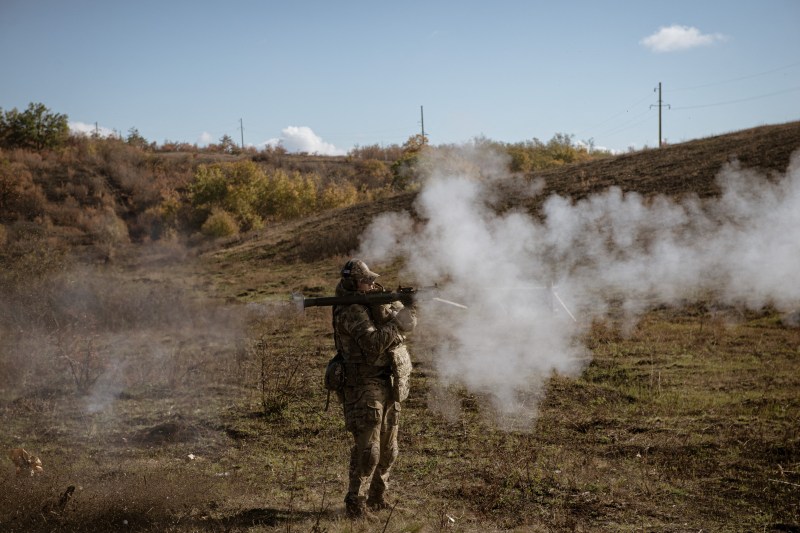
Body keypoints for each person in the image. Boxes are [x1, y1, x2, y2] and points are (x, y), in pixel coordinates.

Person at [332, 259, 416, 519]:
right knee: (369, 450)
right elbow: (372, 344)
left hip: (388, 381)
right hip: (362, 384)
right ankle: (355, 506)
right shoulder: (351, 310)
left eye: (370, 279)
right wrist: (396, 326)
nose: (370, 283)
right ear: (352, 283)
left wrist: (407, 307)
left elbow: (410, 323)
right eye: (364, 280)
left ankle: (378, 498)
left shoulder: (377, 300)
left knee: (389, 449)